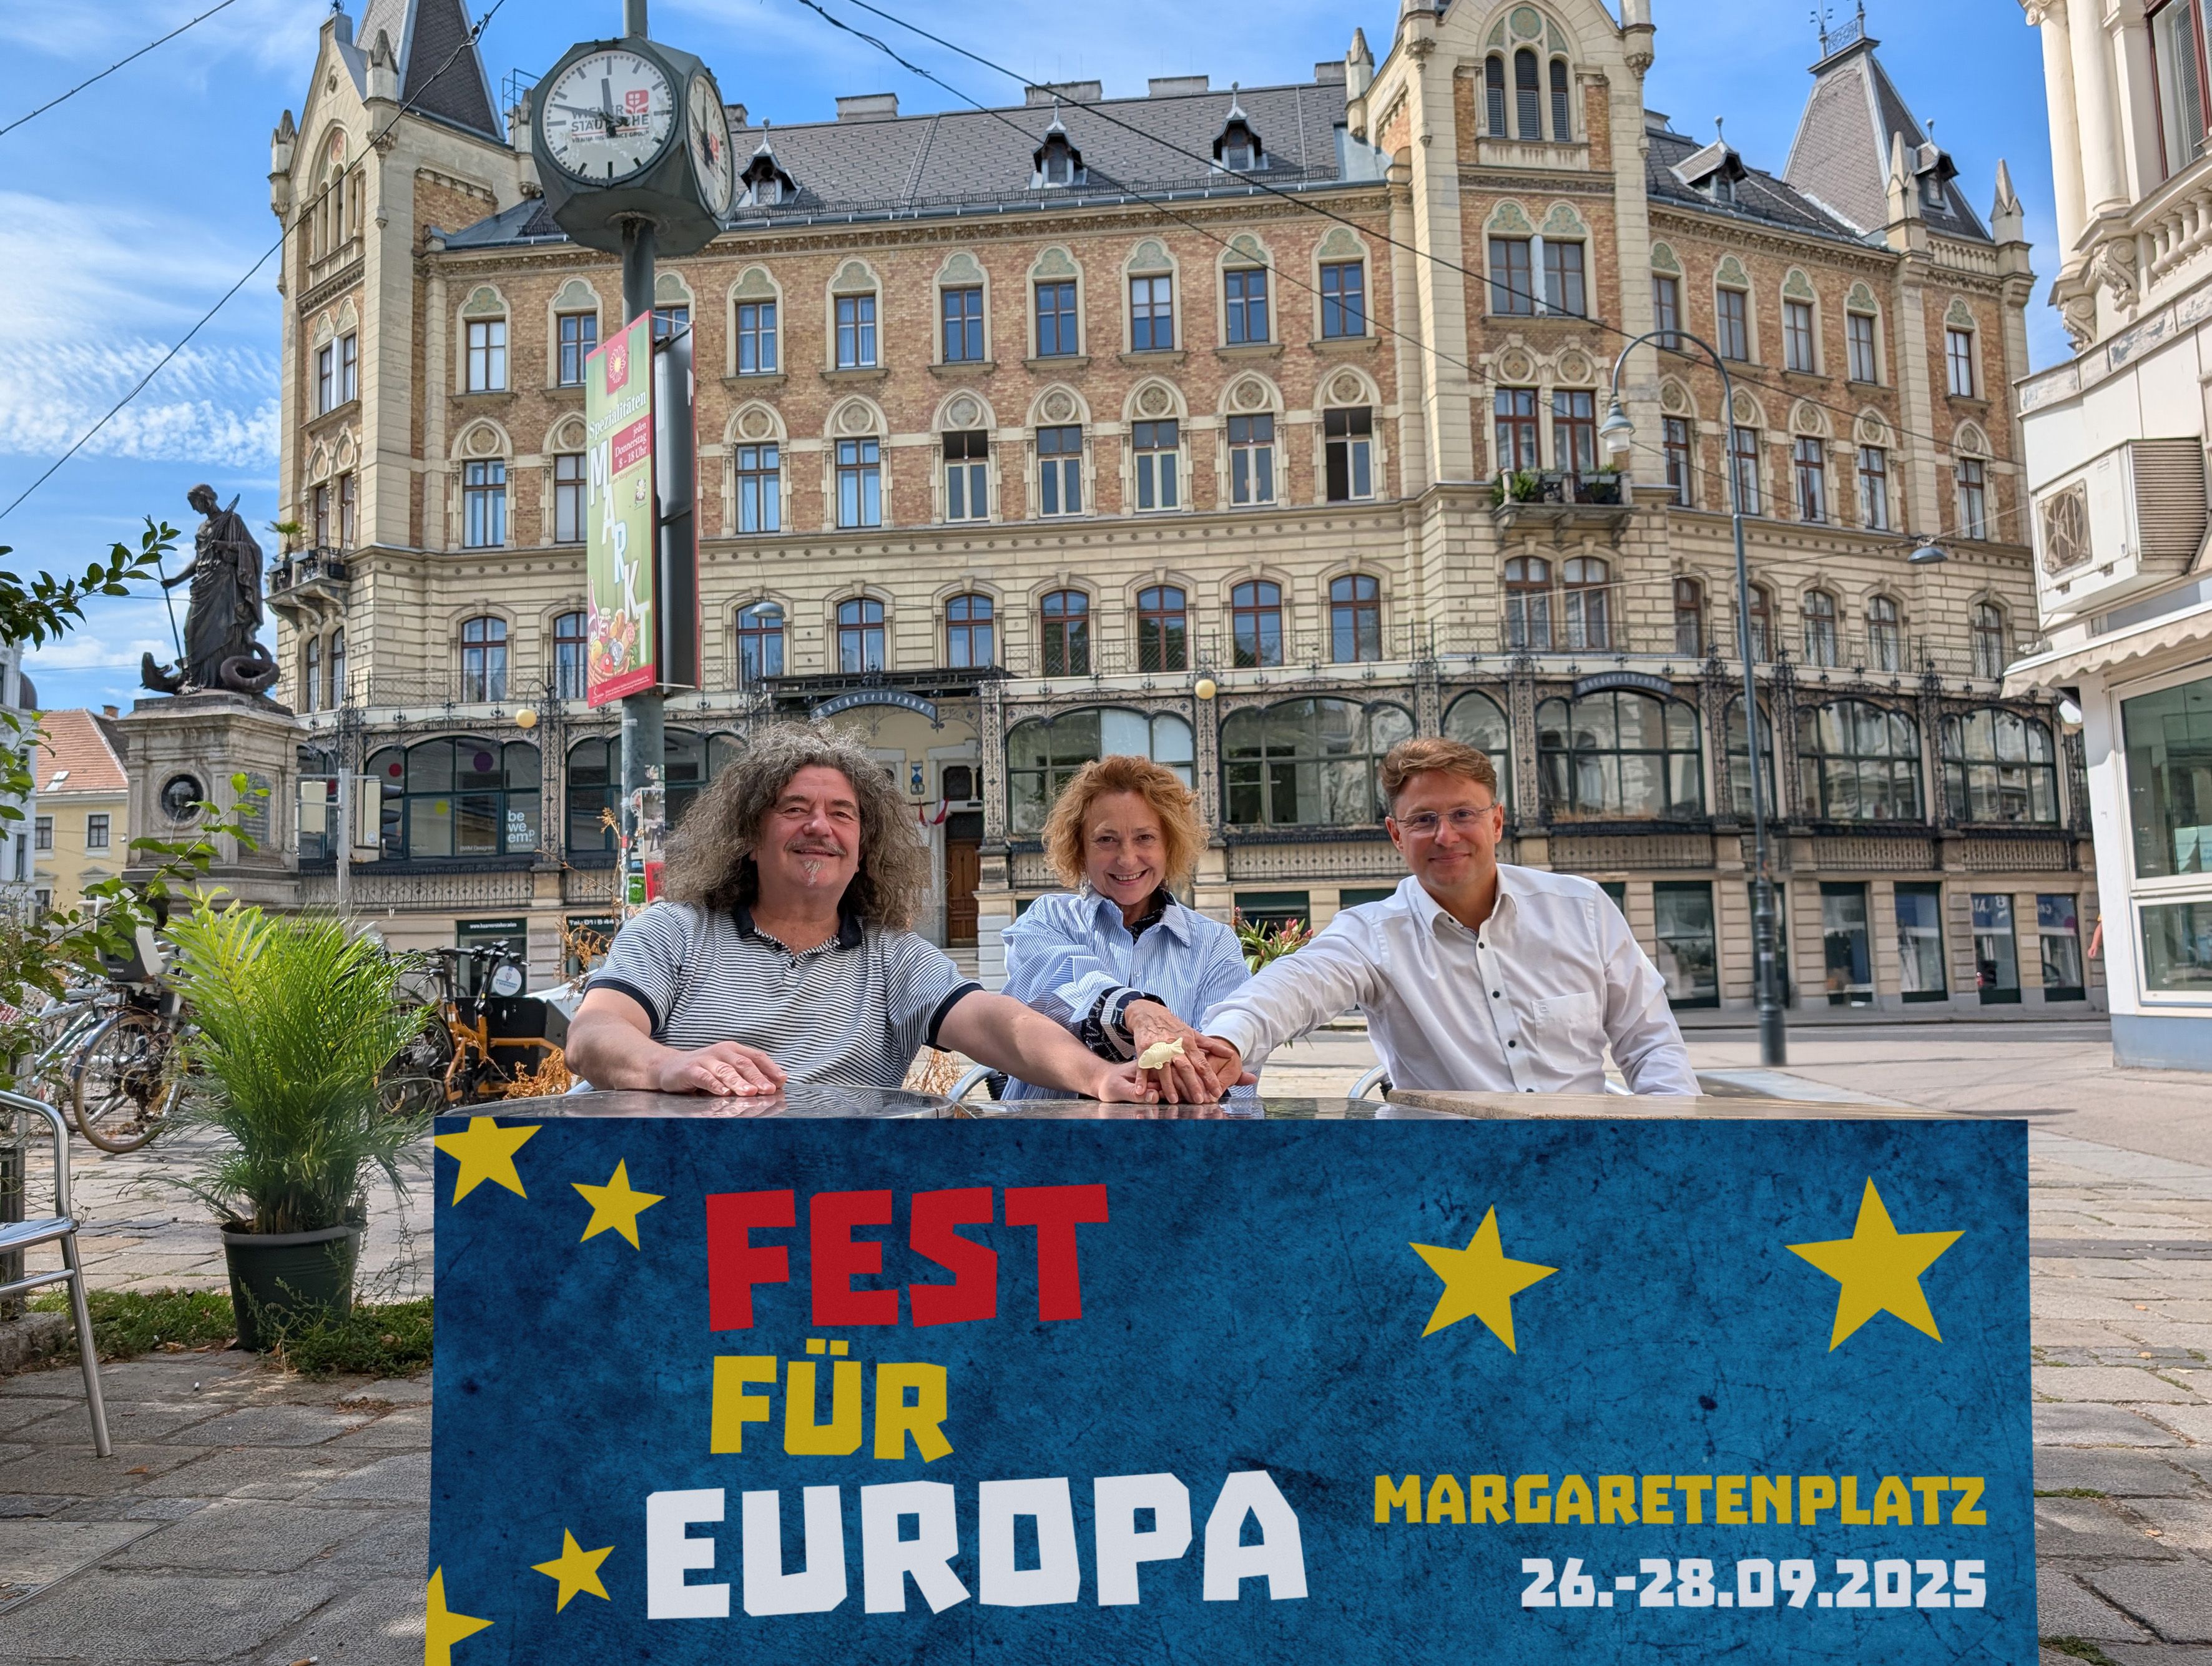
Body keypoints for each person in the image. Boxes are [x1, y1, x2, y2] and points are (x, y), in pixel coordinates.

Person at [565, 726, 1156, 1101]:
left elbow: (1000, 1024)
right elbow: (593, 1035)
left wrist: (1096, 1077)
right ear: (747, 837)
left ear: (864, 850)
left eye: (842, 814)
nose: (819, 826)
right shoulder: (673, 931)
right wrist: (671, 1066)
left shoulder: (894, 960)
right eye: (794, 808)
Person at [1199, 736, 1699, 1097]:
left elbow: (1650, 1043)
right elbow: (1289, 989)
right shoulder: (1371, 935)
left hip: (1582, 1166)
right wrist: (1228, 1039)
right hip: (1443, 1182)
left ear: (1497, 821)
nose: (1445, 835)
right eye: (1423, 820)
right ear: (1396, 836)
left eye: (1463, 814)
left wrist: (1668, 1148)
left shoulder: (1582, 908)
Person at [998, 755, 1252, 1104]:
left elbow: (1222, 1057)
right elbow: (1053, 986)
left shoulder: (1214, 943)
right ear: (1079, 848)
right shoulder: (1048, 918)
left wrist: (1211, 1066)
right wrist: (1133, 1011)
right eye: (1106, 840)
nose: (1128, 859)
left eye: (1145, 837)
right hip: (1048, 1139)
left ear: (1170, 844)